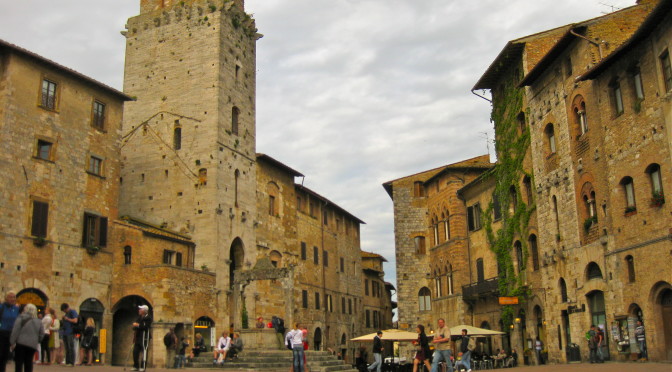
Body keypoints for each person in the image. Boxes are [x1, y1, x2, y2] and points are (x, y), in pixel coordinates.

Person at [10, 303, 44, 372]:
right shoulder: (39, 321)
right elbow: (41, 334)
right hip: (32, 345)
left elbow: (15, 331)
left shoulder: (21, 318)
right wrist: (37, 341)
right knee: (29, 362)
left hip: (21, 343)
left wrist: (12, 342)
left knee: (19, 363)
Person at [0, 292, 20, 372]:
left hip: (11, 333)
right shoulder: (1, 307)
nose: (13, 299)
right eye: (11, 297)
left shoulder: (16, 309)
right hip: (1, 333)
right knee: (1, 355)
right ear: (6, 298)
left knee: (6, 355)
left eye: (14, 297)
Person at [132, 305, 152, 371]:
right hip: (138, 336)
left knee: (144, 352)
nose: (139, 310)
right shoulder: (139, 318)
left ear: (144, 311)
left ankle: (143, 366)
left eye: (140, 309)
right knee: (135, 352)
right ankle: (136, 366)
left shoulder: (148, 318)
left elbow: (146, 327)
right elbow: (134, 326)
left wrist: (138, 325)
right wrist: (136, 326)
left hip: (144, 337)